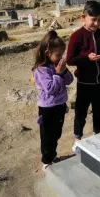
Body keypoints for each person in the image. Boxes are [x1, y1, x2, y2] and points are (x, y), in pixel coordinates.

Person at [66, 0, 100, 154]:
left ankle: (97, 135)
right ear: (83, 17)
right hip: (85, 82)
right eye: (93, 19)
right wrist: (87, 57)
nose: (97, 23)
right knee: (81, 112)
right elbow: (70, 60)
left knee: (99, 110)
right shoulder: (77, 36)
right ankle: (77, 140)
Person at [32, 30, 74, 171]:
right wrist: (57, 74)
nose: (60, 58)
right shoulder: (41, 69)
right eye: (58, 55)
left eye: (62, 55)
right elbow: (50, 88)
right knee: (47, 136)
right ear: (47, 53)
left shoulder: (57, 66)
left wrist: (62, 71)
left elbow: (69, 80)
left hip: (59, 106)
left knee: (56, 133)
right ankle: (46, 161)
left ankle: (52, 155)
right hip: (48, 108)